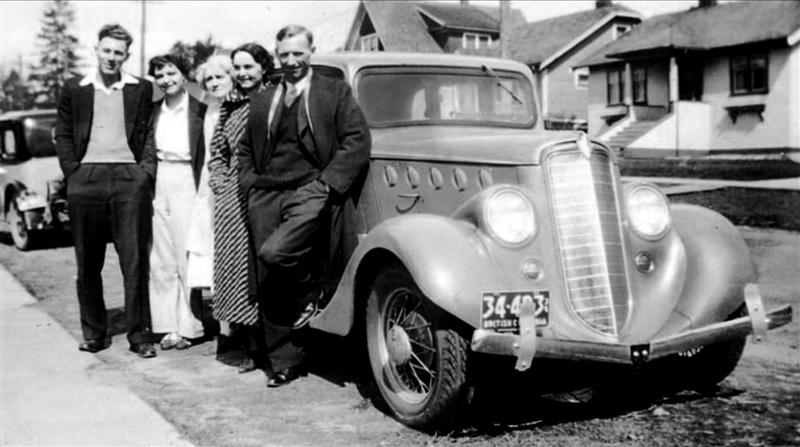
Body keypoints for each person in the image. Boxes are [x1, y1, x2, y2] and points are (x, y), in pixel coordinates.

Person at [238, 25, 371, 388]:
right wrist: (250, 184)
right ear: (277, 55)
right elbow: (247, 148)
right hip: (265, 194)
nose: (292, 61)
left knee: (276, 252)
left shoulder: (334, 92)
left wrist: (327, 184)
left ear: (312, 51)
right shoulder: (263, 99)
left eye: (299, 53)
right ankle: (284, 361)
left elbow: (357, 139)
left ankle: (310, 294)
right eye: (285, 55)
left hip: (310, 191)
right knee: (269, 276)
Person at [54, 23, 157, 358]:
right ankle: (95, 333)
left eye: (119, 52)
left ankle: (139, 336)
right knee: (88, 262)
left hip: (129, 179)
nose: (112, 57)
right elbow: (64, 134)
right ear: (96, 49)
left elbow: (149, 134)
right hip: (87, 180)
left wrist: (144, 173)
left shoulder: (140, 88)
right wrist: (74, 173)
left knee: (134, 259)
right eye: (107, 50)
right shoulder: (74, 88)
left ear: (127, 55)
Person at [208, 43, 273, 373]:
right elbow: (217, 153)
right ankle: (250, 347)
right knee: (237, 270)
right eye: (238, 68)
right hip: (233, 198)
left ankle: (275, 347)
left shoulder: (276, 99)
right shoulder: (229, 107)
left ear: (263, 67)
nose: (243, 73)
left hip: (269, 194)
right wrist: (221, 184)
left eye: (249, 66)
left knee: (267, 268)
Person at [147, 54, 207, 350]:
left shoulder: (199, 110)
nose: (166, 79)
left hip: (187, 179)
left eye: (171, 73)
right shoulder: (153, 111)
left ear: (184, 76)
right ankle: (166, 326)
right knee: (160, 255)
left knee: (185, 253)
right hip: (159, 179)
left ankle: (188, 326)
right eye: (159, 75)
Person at [185, 55, 234, 299]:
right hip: (211, 184)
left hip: (234, 184)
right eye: (209, 79)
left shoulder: (238, 106)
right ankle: (224, 324)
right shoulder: (211, 110)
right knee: (213, 243)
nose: (214, 83)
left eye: (219, 77)